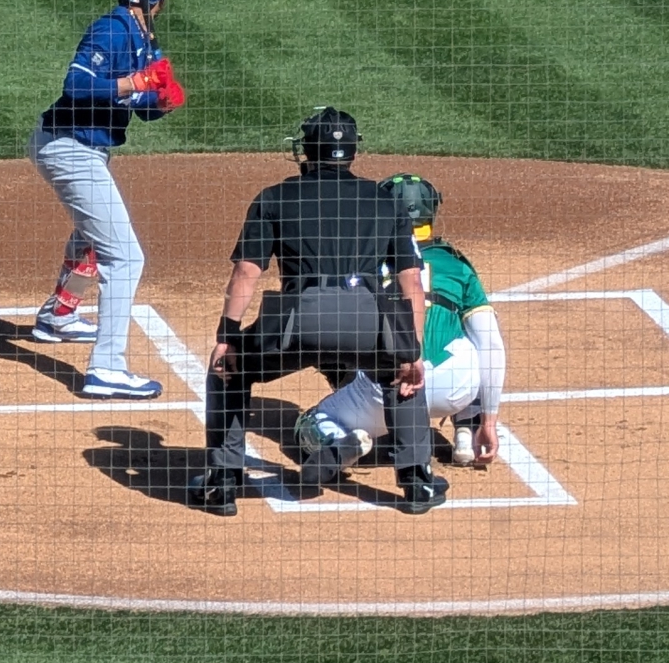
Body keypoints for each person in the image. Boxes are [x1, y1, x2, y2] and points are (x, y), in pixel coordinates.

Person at [188, 107, 443, 517]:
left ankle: (223, 482)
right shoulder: (386, 202)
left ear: (306, 149)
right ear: (354, 151)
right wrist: (410, 351)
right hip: (367, 319)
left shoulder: (273, 198)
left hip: (297, 319)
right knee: (400, 375)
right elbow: (410, 282)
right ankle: (417, 482)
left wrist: (227, 336)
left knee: (228, 369)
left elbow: (245, 274)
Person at [27, 0, 186, 400]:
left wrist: (160, 101)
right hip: (67, 148)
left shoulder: (143, 40)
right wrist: (135, 83)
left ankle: (60, 313)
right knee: (126, 257)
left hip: (81, 149)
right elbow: (75, 86)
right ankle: (106, 369)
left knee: (95, 237)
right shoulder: (112, 31)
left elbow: (139, 110)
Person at [294, 172, 507, 476]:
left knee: (311, 423)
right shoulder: (457, 265)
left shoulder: (363, 260)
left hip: (384, 393)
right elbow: (491, 344)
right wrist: (491, 421)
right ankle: (468, 431)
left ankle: (344, 439)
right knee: (470, 337)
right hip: (454, 389)